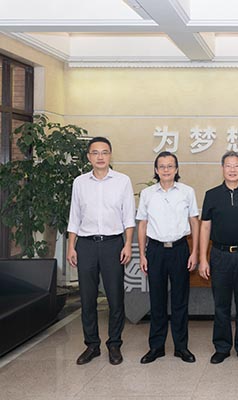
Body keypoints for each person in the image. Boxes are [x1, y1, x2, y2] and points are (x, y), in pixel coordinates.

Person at [67, 136, 136, 366]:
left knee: (115, 297)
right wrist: (71, 246)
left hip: (113, 244)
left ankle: (114, 344)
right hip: (85, 244)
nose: (100, 157)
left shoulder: (122, 181)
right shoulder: (79, 182)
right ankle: (92, 345)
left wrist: (128, 244)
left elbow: (128, 217)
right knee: (87, 298)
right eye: (95, 152)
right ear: (88, 156)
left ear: (110, 155)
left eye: (104, 152)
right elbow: (74, 217)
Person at [198, 151, 238, 365]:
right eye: (228, 165)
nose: (232, 169)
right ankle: (222, 347)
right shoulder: (211, 195)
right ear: (222, 168)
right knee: (221, 305)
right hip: (220, 255)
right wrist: (203, 258)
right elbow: (205, 227)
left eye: (236, 166)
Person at [137, 151, 199, 364]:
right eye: (162, 166)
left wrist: (195, 252)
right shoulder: (147, 194)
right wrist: (142, 254)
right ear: (156, 170)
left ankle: (181, 347)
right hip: (155, 251)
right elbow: (142, 224)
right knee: (157, 300)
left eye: (170, 166)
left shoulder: (187, 192)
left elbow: (194, 222)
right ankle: (156, 347)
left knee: (180, 301)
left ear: (176, 169)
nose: (166, 170)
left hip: (180, 249)